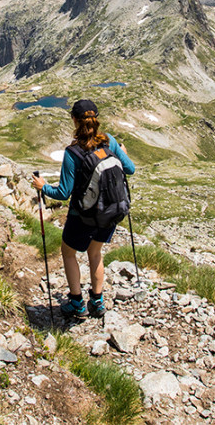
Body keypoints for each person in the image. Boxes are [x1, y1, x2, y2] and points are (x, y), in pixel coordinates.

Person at [32, 98, 135, 318]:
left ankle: (77, 303)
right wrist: (122, 152)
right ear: (96, 119)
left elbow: (63, 193)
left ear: (74, 120)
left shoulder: (73, 153)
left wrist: (43, 187)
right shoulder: (110, 142)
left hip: (82, 217)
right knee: (95, 252)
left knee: (69, 253)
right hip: (109, 213)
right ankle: (97, 303)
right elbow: (130, 169)